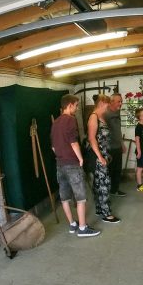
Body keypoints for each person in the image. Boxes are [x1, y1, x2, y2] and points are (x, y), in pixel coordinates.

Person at [51, 94, 100, 237]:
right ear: (70, 105)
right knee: (80, 197)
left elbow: (53, 147)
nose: (77, 108)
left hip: (60, 164)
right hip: (72, 164)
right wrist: (80, 159)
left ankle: (72, 225)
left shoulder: (56, 122)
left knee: (64, 197)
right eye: (76, 105)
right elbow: (73, 143)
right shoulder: (70, 120)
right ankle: (83, 228)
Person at [88, 94, 121, 224]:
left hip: (104, 155)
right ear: (102, 103)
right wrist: (100, 156)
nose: (108, 105)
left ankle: (99, 209)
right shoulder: (93, 117)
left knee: (99, 184)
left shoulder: (101, 117)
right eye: (107, 103)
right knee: (104, 185)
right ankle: (106, 214)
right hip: (98, 158)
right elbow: (91, 139)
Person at [103, 93, 127, 197]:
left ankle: (115, 190)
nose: (121, 103)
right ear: (111, 102)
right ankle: (106, 191)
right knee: (109, 170)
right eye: (119, 101)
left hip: (117, 146)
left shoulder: (117, 113)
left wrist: (122, 144)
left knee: (117, 170)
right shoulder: (105, 114)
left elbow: (118, 130)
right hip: (108, 148)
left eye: (121, 101)